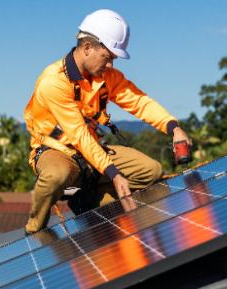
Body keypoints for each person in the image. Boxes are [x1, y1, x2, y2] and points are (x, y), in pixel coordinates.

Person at [23, 9, 193, 234]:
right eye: (108, 57)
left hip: (92, 152)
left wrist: (174, 128)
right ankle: (34, 231)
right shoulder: (53, 81)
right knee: (57, 175)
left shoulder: (107, 77)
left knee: (151, 171)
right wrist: (113, 173)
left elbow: (139, 102)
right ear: (87, 48)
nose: (111, 65)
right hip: (58, 151)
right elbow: (78, 135)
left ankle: (88, 203)